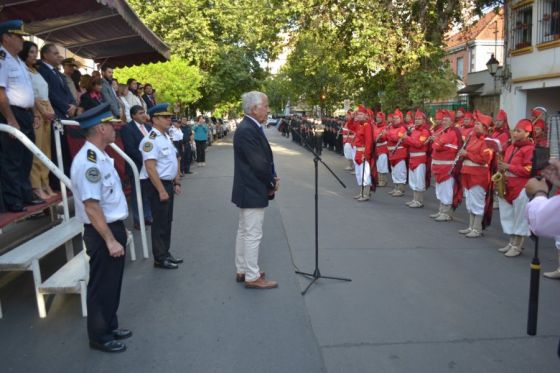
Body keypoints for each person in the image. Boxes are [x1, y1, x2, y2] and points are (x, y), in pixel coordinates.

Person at [70, 103, 131, 353]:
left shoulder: (101, 156)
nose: (116, 128)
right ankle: (99, 336)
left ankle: (109, 325)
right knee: (101, 285)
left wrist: (119, 230)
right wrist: (110, 239)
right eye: (111, 124)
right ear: (101, 128)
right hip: (100, 231)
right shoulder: (89, 163)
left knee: (112, 283)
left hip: (111, 226)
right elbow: (92, 206)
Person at [231, 91, 279, 289]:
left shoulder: (249, 126)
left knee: (244, 231)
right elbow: (259, 163)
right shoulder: (248, 129)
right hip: (252, 188)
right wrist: (271, 182)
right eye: (265, 106)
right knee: (252, 234)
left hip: (247, 188)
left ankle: (243, 269)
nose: (268, 110)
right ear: (253, 108)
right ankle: (252, 275)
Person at [0, 20, 44, 212]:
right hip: (11, 113)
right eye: (18, 37)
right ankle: (14, 200)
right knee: (12, 159)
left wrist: (34, 113)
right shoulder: (2, 59)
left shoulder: (18, 60)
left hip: (25, 113)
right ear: (6, 38)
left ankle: (26, 195)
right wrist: (10, 120)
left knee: (26, 157)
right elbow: (1, 94)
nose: (22, 41)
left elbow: (28, 91)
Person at [139, 103, 183, 269]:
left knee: (167, 220)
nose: (169, 119)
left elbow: (171, 161)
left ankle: (166, 252)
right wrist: (161, 190)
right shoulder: (150, 141)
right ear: (154, 119)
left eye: (169, 116)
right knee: (159, 222)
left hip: (166, 183)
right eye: (165, 117)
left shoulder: (165, 137)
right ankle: (159, 258)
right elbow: (150, 168)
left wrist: (176, 181)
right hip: (156, 184)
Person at [20, 40, 57, 201]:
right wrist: (41, 111)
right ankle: (37, 185)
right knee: (37, 150)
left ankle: (46, 182)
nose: (35, 56)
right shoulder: (24, 70)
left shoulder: (37, 71)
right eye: (31, 52)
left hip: (47, 109)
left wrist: (50, 111)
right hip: (37, 110)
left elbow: (44, 93)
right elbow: (32, 95)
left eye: (36, 52)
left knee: (46, 151)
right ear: (24, 54)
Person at [496, 119, 534, 257]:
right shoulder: (511, 146)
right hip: (507, 182)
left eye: (519, 131)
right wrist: (501, 168)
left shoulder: (530, 149)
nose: (515, 133)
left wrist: (509, 167)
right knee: (508, 215)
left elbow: (529, 169)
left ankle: (518, 246)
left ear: (527, 133)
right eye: (515, 130)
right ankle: (511, 242)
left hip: (521, 185)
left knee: (520, 217)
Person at [457, 111, 494, 238]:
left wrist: (466, 154)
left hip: (478, 175)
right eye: (476, 124)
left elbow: (484, 159)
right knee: (470, 202)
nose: (475, 126)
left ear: (485, 127)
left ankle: (477, 228)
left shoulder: (488, 142)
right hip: (467, 172)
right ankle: (471, 226)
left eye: (478, 124)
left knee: (477, 202)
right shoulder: (472, 139)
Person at [120, 105, 153, 230]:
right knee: (137, 194)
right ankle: (138, 220)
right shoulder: (127, 128)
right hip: (137, 166)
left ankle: (148, 216)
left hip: (150, 166)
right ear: (133, 115)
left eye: (144, 112)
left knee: (148, 192)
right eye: (140, 113)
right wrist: (146, 160)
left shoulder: (149, 127)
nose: (144, 115)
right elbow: (130, 148)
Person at [430, 110, 462, 221]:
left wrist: (437, 142)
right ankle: (441, 210)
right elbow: (437, 145)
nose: (443, 121)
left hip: (447, 167)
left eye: (446, 119)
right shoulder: (443, 132)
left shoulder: (453, 132)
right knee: (440, 189)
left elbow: (439, 146)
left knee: (446, 190)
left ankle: (446, 213)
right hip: (439, 165)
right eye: (443, 119)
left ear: (452, 121)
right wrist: (438, 142)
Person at [402, 110, 430, 208]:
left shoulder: (425, 131)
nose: (417, 121)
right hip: (412, 157)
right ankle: (414, 199)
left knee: (419, 180)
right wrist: (404, 139)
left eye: (419, 119)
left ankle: (419, 201)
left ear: (424, 120)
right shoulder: (413, 130)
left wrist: (407, 138)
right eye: (416, 119)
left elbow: (419, 144)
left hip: (420, 158)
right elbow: (409, 144)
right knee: (413, 180)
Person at [352, 106, 373, 201]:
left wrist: (366, 154)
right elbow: (350, 126)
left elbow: (369, 141)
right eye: (358, 114)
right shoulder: (360, 125)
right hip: (358, 151)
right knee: (359, 174)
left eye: (361, 114)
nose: (359, 116)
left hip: (363, 152)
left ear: (365, 115)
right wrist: (353, 116)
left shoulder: (367, 125)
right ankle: (361, 192)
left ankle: (366, 194)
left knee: (365, 174)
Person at [387, 109, 408, 197]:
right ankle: (396, 187)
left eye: (397, 118)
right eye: (394, 118)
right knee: (394, 171)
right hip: (392, 152)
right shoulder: (391, 127)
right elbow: (387, 137)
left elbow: (397, 138)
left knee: (400, 171)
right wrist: (390, 135)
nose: (395, 120)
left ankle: (401, 189)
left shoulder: (402, 128)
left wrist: (389, 135)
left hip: (399, 152)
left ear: (401, 119)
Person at [373, 111, 389, 187]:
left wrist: (381, 137)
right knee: (378, 165)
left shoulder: (385, 126)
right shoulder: (375, 126)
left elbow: (386, 137)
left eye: (379, 117)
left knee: (382, 165)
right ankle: (379, 180)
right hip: (376, 147)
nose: (378, 119)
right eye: (377, 117)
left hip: (382, 147)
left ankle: (383, 181)